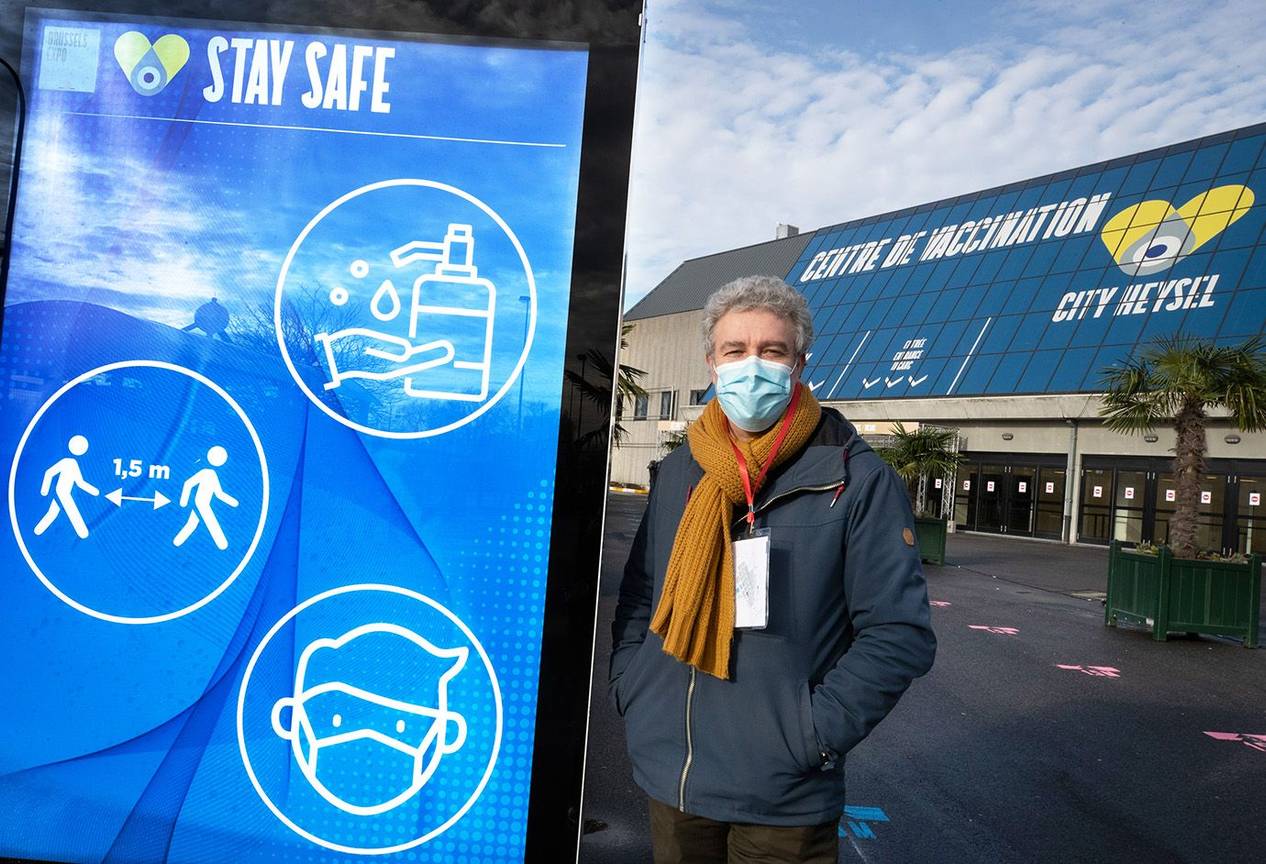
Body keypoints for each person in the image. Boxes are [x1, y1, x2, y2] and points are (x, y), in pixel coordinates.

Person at [610, 275, 936, 863]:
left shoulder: (855, 480)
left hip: (781, 796)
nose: (751, 365)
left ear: (799, 365)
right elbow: (642, 595)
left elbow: (899, 634)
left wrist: (811, 735)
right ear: (712, 364)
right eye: (735, 351)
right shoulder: (683, 470)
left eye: (772, 351)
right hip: (674, 775)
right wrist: (632, 687)